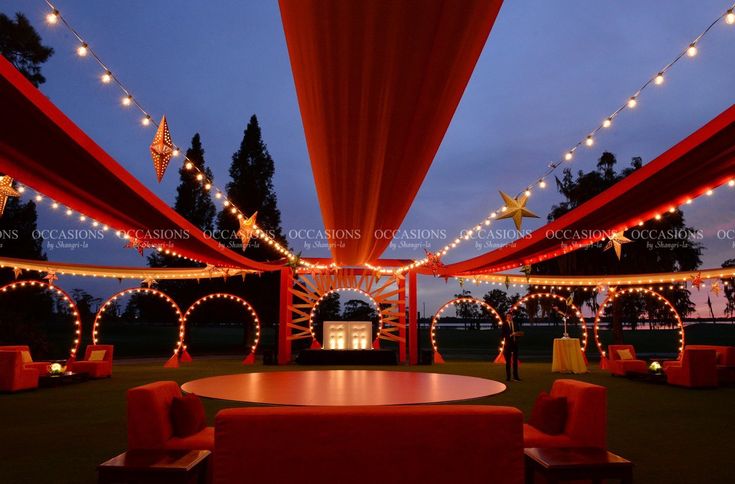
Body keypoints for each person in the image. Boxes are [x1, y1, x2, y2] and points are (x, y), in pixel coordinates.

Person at [502, 313, 522, 382]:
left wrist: (518, 334)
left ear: (512, 317)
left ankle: (516, 377)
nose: (509, 317)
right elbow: (502, 334)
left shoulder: (515, 324)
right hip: (508, 345)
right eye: (508, 316)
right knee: (508, 362)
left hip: (515, 344)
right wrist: (510, 335)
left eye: (510, 316)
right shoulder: (504, 324)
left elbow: (519, 332)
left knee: (515, 361)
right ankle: (508, 377)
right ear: (506, 317)